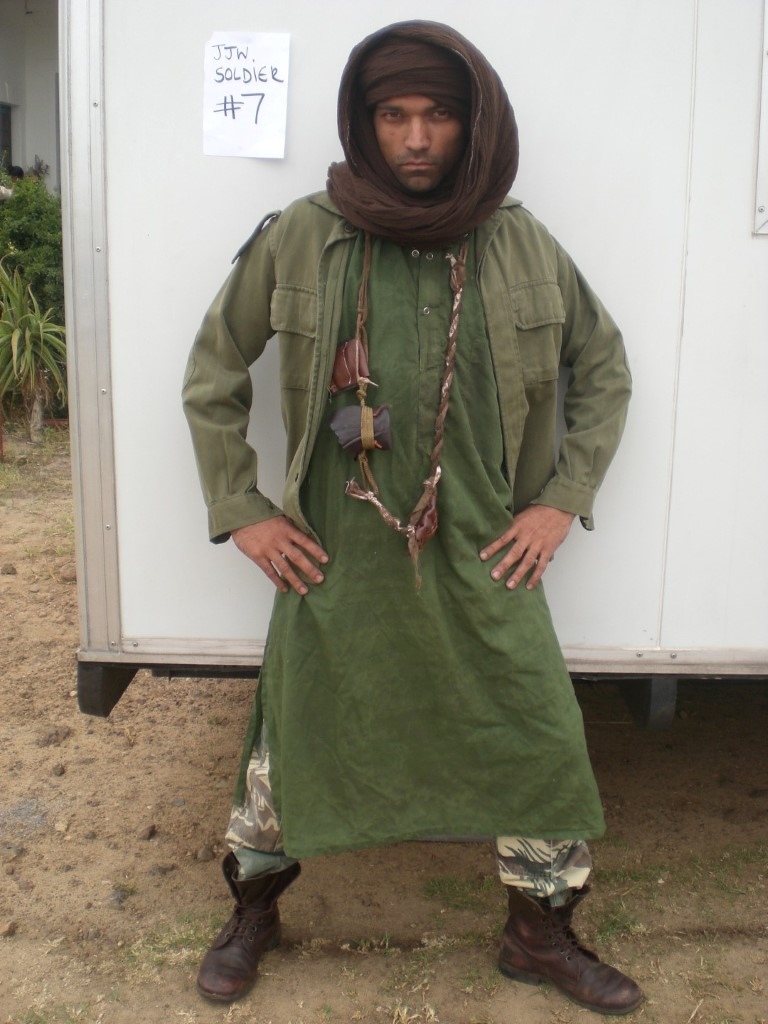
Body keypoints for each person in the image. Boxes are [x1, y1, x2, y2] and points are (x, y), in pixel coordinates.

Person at [183, 20, 640, 1016]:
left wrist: (561, 500)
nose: (418, 137)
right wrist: (242, 510)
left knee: (535, 730)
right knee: (292, 734)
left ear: (475, 123)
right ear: (364, 121)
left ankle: (539, 935)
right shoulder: (303, 234)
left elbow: (604, 368)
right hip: (335, 551)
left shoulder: (518, 240)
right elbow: (214, 370)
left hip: (487, 549)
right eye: (394, 114)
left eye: (439, 114)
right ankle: (253, 913)